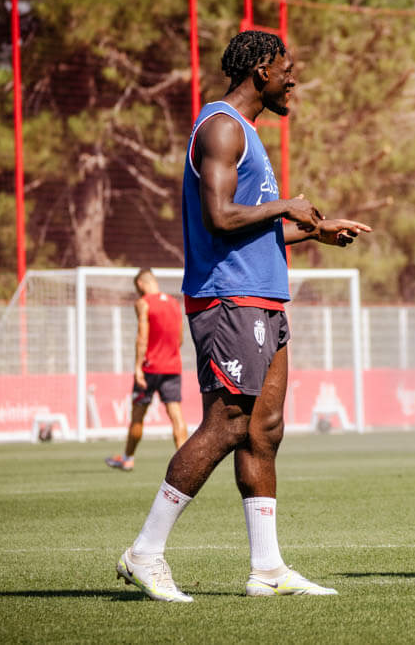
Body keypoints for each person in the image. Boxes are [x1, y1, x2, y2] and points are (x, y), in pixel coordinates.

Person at [115, 30, 371, 602]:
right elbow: (220, 217)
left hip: (262, 296)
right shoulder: (222, 127)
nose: (293, 78)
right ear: (261, 71)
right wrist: (287, 205)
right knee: (229, 423)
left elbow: (252, 229)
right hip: (228, 298)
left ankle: (268, 569)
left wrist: (314, 231)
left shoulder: (247, 132)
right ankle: (145, 552)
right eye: (287, 68)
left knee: (265, 429)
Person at [105, 268, 190, 472]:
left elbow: (142, 336)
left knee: (137, 415)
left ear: (140, 284)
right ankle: (186, 464)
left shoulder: (143, 303)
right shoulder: (174, 303)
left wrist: (138, 368)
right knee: (176, 415)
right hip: (172, 366)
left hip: (150, 368)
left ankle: (128, 459)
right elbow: (180, 339)